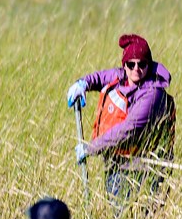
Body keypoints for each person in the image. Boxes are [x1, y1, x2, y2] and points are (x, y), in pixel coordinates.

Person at [67, 34, 175, 207]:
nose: (136, 69)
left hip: (143, 170)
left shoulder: (153, 94)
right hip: (117, 164)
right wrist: (83, 83)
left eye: (142, 64)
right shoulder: (123, 78)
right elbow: (102, 77)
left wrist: (91, 148)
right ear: (124, 65)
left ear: (149, 65)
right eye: (131, 64)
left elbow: (128, 130)